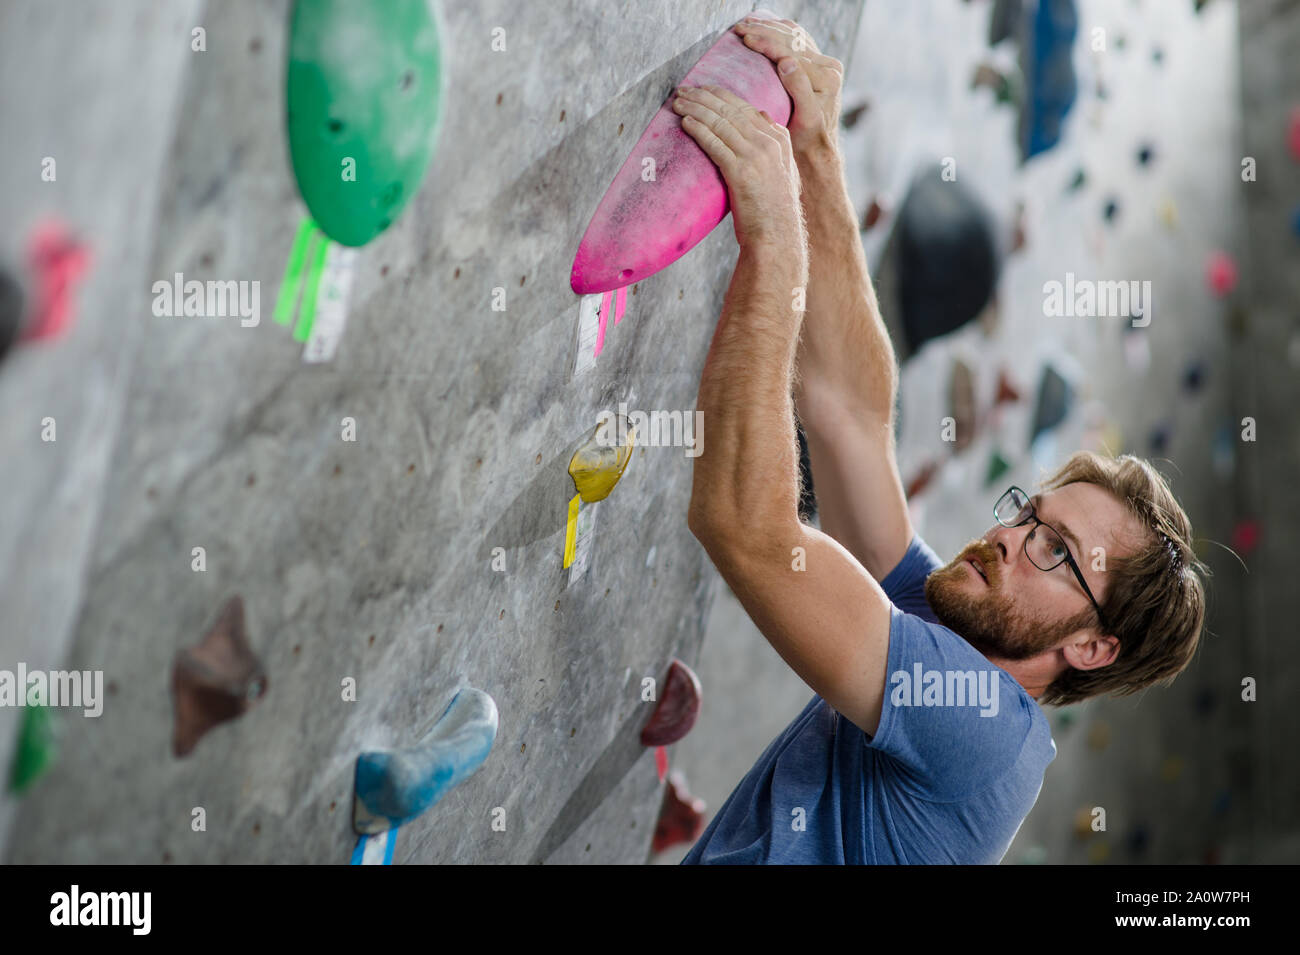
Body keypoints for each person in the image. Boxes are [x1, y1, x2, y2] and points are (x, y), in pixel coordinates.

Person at [674, 14, 1207, 864]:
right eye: (1028, 514)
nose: (1008, 540)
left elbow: (747, 531)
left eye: (1054, 549)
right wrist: (815, 156)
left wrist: (774, 241)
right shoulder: (958, 629)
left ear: (1091, 646)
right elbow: (850, 413)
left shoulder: (979, 727)